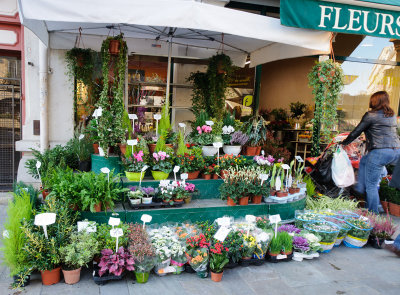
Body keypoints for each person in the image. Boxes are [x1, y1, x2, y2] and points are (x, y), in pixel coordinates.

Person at [341, 91, 400, 213]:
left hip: (380, 152)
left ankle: (373, 214)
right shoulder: (392, 116)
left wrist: (343, 143)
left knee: (371, 185)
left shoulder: (370, 115)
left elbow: (355, 132)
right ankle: (360, 187)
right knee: (364, 160)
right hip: (396, 151)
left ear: (374, 101)